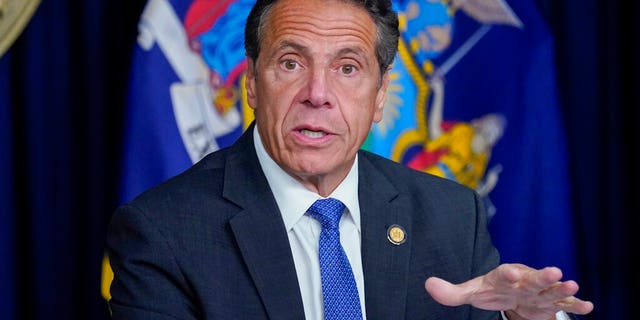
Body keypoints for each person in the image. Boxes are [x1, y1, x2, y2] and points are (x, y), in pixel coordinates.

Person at [105, 0, 594, 319]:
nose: (318, 94)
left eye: (347, 68)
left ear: (380, 96)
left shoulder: (450, 217)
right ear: (252, 82)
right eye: (291, 63)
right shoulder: (162, 231)